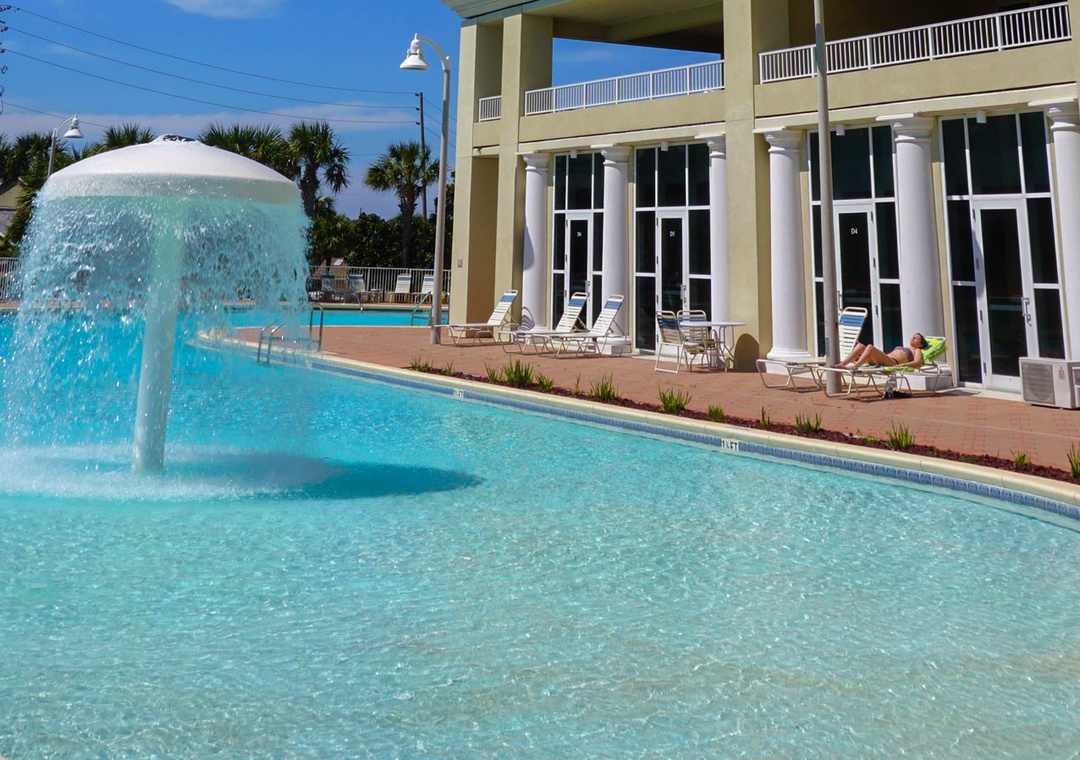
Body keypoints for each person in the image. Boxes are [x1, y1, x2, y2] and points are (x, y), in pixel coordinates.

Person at [833, 332, 928, 370]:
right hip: (884, 360)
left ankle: (855, 367)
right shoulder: (905, 347)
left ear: (920, 344)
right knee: (860, 346)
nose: (913, 338)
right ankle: (843, 364)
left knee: (870, 347)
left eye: (917, 338)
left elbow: (917, 362)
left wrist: (903, 365)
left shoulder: (917, 350)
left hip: (893, 363)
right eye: (913, 336)